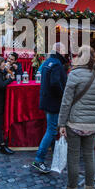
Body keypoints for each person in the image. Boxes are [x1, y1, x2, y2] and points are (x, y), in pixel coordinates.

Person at [58, 46, 95, 189]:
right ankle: (89, 186)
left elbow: (66, 102)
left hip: (74, 123)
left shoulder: (74, 74)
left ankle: (72, 188)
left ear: (80, 57)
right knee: (89, 155)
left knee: (73, 157)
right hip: (92, 123)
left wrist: (61, 124)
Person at [32, 43, 68, 174]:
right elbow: (54, 83)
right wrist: (63, 94)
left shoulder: (48, 62)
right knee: (51, 130)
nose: (65, 53)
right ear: (59, 51)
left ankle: (51, 153)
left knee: (52, 129)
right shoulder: (57, 64)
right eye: (63, 50)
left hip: (48, 101)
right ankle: (39, 159)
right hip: (54, 103)